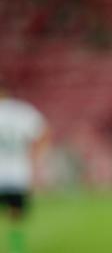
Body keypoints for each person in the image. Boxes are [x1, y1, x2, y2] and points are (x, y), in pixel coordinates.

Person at [0, 85, 50, 253]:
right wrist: (36, 157)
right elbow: (43, 131)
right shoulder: (21, 111)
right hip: (17, 173)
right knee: (16, 215)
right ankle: (16, 248)